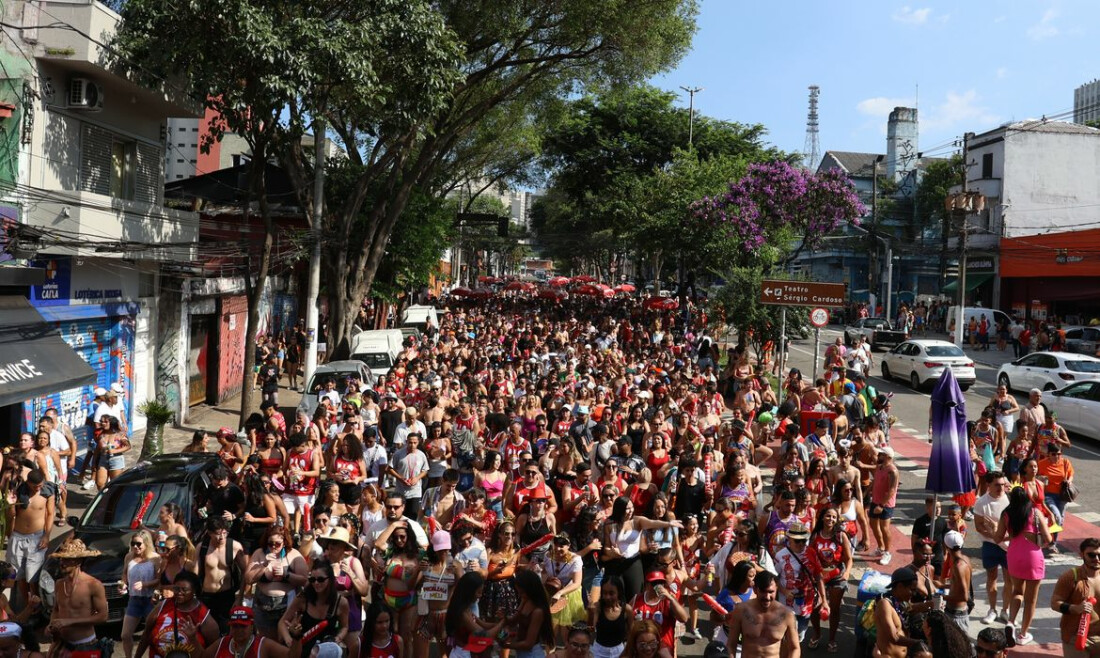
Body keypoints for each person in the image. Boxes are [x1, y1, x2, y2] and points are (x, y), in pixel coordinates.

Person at [995, 486, 1052, 645]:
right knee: (1031, 600)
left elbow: (998, 537)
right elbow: (1048, 538)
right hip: (1033, 557)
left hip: (1013, 555)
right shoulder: (1035, 513)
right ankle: (1023, 634)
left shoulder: (1006, 514)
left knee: (1017, 591)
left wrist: (1010, 536)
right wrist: (1037, 538)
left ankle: (1011, 622)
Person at [46, 540, 109, 658]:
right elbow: (56, 610)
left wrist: (69, 621)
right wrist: (51, 625)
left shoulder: (93, 584)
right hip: (61, 643)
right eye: (60, 558)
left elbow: (103, 616)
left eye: (66, 559)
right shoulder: (59, 584)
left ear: (78, 561)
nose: (61, 563)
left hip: (85, 644)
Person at [136, 570, 219, 658]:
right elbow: (146, 635)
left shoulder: (203, 615)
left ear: (194, 590)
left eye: (184, 590)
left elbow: (214, 650)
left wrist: (193, 638)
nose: (179, 592)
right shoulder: (163, 606)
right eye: (176, 588)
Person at [245, 526, 308, 641]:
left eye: (277, 544)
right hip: (262, 605)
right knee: (265, 640)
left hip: (286, 605)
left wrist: (286, 574)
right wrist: (264, 565)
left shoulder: (294, 555)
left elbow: (304, 580)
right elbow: (248, 579)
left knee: (283, 640)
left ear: (284, 542)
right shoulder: (259, 553)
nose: (273, 547)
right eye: (270, 543)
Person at [278, 560, 349, 658]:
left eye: (320, 579)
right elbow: (282, 622)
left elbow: (345, 627)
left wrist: (338, 638)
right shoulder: (303, 598)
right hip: (302, 650)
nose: (316, 583)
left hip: (324, 652)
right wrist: (289, 640)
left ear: (330, 579)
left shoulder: (341, 602)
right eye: (312, 579)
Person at [726, 570, 800, 658]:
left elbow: (794, 648)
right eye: (763, 591)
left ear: (776, 589)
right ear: (755, 589)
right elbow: (731, 644)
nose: (767, 597)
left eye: (771, 592)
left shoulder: (787, 615)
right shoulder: (741, 611)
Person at [413, 530, 461, 658]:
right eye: (440, 549)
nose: (443, 553)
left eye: (446, 549)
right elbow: (411, 586)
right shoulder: (427, 564)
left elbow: (463, 589)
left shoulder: (455, 565)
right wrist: (418, 570)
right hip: (426, 615)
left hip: (446, 617)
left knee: (446, 655)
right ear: (433, 549)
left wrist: (457, 574)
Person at [8, 468, 53, 603]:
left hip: (37, 537)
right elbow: (11, 516)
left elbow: (50, 514)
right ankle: (27, 604)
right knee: (19, 575)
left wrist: (47, 535)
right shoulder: (19, 492)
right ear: (28, 483)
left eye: (40, 485)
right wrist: (11, 505)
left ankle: (36, 604)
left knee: (32, 576)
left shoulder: (47, 493)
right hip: (18, 537)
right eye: (35, 486)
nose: (38, 488)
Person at [196, 517, 248, 633]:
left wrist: (240, 596)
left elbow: (246, 571)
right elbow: (195, 572)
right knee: (206, 630)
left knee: (225, 629)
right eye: (218, 534)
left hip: (227, 595)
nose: (222, 537)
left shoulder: (234, 546)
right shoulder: (202, 547)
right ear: (209, 533)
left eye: (225, 533)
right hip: (206, 595)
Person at [973, 471, 1012, 625]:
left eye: (1003, 484)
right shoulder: (981, 502)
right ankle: (992, 609)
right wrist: (994, 534)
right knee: (992, 578)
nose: (1001, 488)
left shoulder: (1010, 500)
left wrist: (1000, 535)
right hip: (990, 545)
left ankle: (1005, 610)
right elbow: (978, 526)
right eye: (997, 485)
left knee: (1010, 580)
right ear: (988, 485)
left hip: (1009, 546)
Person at [1052, 537, 1100, 658]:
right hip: (1075, 636)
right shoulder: (1070, 577)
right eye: (1091, 555)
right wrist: (1075, 608)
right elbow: (1055, 603)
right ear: (1081, 554)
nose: (1097, 559)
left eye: (1099, 555)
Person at [198, 606, 297, 658]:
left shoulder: (264, 645)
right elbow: (200, 657)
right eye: (235, 626)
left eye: (243, 626)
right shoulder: (222, 643)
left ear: (251, 626)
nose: (239, 630)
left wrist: (297, 638)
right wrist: (193, 638)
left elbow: (292, 656)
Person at [122, 530, 161, 658]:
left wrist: (144, 584)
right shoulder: (129, 556)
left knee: (153, 635)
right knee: (125, 635)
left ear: (146, 543)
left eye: (138, 544)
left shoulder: (155, 558)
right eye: (133, 543)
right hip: (134, 599)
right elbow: (124, 574)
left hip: (150, 600)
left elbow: (159, 580)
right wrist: (123, 584)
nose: (135, 547)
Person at [871, 567, 921, 658]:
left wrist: (930, 605)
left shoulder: (900, 602)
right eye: (912, 590)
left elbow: (911, 608)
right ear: (900, 586)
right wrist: (919, 643)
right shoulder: (884, 604)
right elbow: (894, 637)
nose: (914, 594)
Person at [506, 569, 555, 658]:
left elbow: (528, 644)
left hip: (531, 654)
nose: (520, 595)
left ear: (531, 590)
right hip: (522, 652)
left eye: (522, 592)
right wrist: (504, 617)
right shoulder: (525, 600)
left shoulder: (538, 612)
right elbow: (513, 620)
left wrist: (508, 645)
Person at [1038, 441, 1074, 552]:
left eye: (1058, 454)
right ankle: (1050, 541)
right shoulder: (1041, 464)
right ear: (1048, 454)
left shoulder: (1065, 462)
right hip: (1049, 495)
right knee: (1057, 517)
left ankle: (1053, 542)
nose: (1056, 456)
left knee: (1060, 520)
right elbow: (1035, 477)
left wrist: (1069, 481)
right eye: (1053, 454)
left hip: (1062, 495)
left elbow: (1071, 474)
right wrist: (1041, 478)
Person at [869, 447, 899, 565]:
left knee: (884, 528)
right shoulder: (880, 467)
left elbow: (892, 490)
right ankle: (880, 547)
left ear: (888, 457)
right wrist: (866, 493)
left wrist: (881, 505)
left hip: (885, 504)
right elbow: (875, 481)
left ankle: (887, 552)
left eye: (881, 454)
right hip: (875, 501)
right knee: (872, 523)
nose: (878, 456)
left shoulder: (893, 471)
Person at [941, 530, 972, 633]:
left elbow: (964, 596)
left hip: (956, 615)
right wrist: (944, 586)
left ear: (946, 546)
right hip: (958, 613)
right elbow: (958, 586)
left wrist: (941, 597)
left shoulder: (958, 567)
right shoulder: (965, 559)